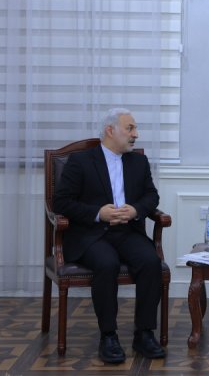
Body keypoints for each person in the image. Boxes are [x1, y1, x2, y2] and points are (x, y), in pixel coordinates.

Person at [53, 108, 165, 364]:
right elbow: (61, 202)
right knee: (107, 263)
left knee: (150, 262)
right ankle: (108, 336)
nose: (136, 134)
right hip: (91, 235)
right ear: (110, 130)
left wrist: (135, 210)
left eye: (135, 128)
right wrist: (97, 213)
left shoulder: (138, 162)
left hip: (127, 231)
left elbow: (151, 196)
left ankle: (144, 333)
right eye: (130, 128)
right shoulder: (81, 161)